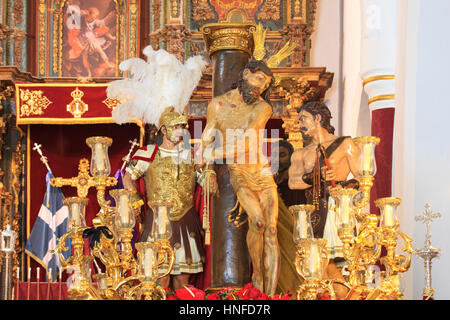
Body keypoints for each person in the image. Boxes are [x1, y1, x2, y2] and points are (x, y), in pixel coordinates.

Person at [200, 58, 280, 296]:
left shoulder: (262, 108)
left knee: (272, 229)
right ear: (245, 74)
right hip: (240, 172)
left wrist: (212, 154)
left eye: (264, 85)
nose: (259, 88)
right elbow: (206, 135)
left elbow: (247, 142)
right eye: (258, 79)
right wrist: (207, 169)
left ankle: (270, 293)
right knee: (257, 220)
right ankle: (257, 275)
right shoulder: (218, 104)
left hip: (262, 171)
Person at [123, 107, 217, 290]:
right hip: (156, 222)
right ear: (163, 130)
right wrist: (134, 198)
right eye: (175, 127)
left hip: (186, 220)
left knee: (182, 280)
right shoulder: (147, 153)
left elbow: (205, 181)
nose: (180, 131)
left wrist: (211, 173)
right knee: (160, 277)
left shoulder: (192, 155)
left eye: (183, 126)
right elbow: (127, 177)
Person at [288, 101, 360, 299]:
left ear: (318, 118)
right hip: (313, 211)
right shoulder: (300, 153)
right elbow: (293, 182)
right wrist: (312, 177)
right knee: (319, 267)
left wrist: (342, 186)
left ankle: (347, 295)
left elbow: (362, 177)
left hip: (336, 207)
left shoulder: (346, 144)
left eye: (303, 118)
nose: (299, 123)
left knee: (326, 264)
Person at [271, 139, 307, 296]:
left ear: (291, 157)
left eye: (282, 155)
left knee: (292, 268)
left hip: (294, 232)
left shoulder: (297, 179)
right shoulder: (274, 180)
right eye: (274, 155)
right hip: (276, 233)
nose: (278, 159)